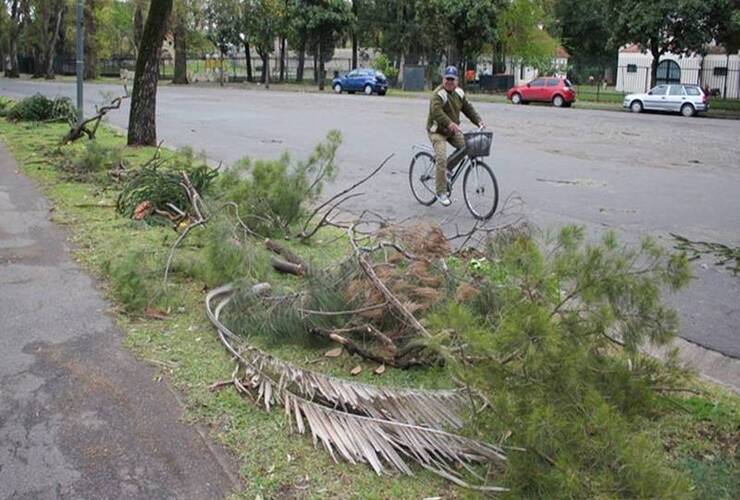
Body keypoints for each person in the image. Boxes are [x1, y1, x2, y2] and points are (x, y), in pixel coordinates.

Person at [426, 66, 486, 206]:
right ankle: (440, 192)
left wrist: (478, 121)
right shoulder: (438, 94)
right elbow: (437, 112)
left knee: (467, 146)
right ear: (443, 79)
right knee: (441, 158)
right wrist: (450, 123)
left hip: (452, 131)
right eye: (447, 79)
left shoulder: (459, 92)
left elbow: (467, 108)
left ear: (457, 81)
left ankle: (447, 169)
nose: (450, 82)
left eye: (452, 79)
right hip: (437, 131)